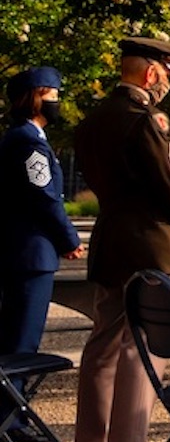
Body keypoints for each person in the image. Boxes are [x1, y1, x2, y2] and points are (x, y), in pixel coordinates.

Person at [71, 36, 170, 442]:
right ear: (150, 73)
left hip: (111, 238)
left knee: (104, 341)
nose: (168, 83)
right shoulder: (144, 121)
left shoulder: (92, 122)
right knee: (144, 343)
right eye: (166, 73)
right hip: (147, 242)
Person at [2, 68, 84, 355]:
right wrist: (69, 239)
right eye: (53, 95)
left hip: (24, 253)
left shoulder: (25, 137)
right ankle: (13, 400)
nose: (57, 102)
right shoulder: (28, 141)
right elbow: (44, 196)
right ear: (36, 97)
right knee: (21, 342)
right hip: (30, 256)